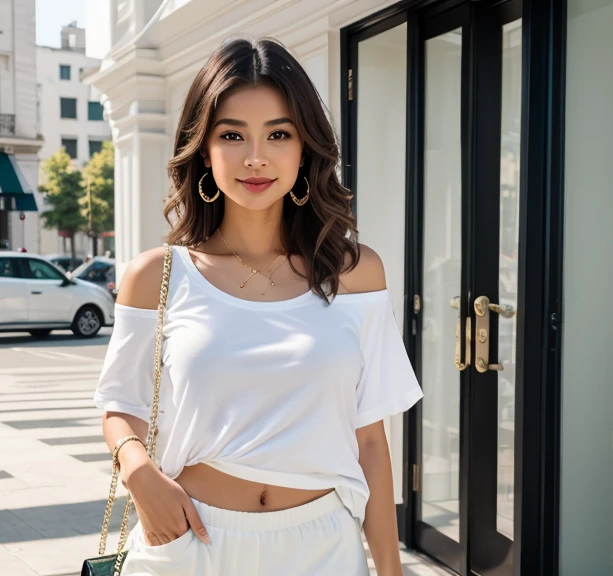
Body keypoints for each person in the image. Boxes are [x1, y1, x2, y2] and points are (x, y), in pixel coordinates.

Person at [94, 37, 423, 576]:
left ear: (304, 147)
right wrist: (137, 470)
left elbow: (370, 438)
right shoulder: (158, 275)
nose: (255, 157)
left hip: (322, 548)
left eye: (278, 134)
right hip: (188, 539)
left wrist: (390, 570)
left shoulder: (356, 273)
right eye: (231, 135)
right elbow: (118, 402)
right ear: (204, 148)